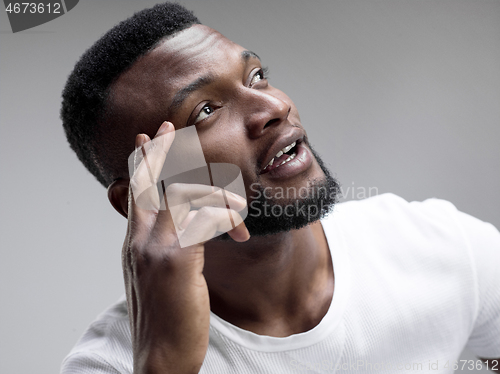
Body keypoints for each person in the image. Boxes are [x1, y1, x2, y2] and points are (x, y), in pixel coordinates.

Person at [60, 3, 500, 373]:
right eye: (206, 110)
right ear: (144, 193)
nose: (274, 106)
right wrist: (166, 363)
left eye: (255, 76)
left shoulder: (441, 244)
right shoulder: (110, 364)